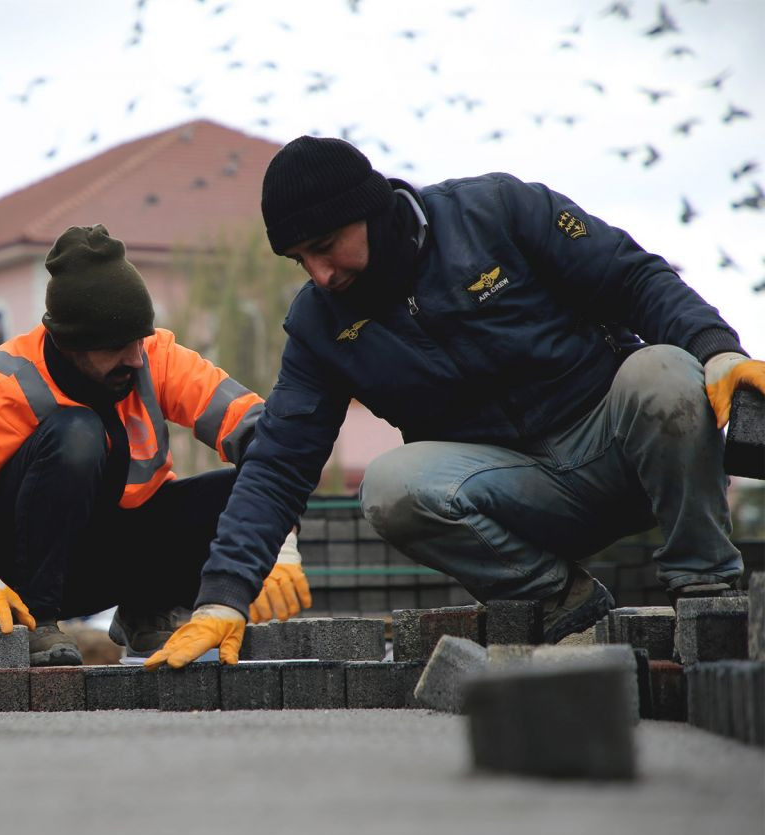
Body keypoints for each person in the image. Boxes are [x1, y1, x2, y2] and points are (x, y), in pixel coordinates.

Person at [145, 135, 765, 670]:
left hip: (620, 451)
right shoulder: (321, 324)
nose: (321, 273)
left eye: (327, 244)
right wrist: (223, 595)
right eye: (300, 259)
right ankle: (562, 601)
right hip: (520, 495)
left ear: (372, 210)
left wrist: (717, 348)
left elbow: (633, 276)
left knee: (664, 370)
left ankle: (707, 593)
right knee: (390, 485)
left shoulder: (495, 211)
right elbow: (279, 464)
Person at [0, 224, 311, 666]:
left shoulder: (152, 357)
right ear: (69, 343)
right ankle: (39, 626)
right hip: (24, 578)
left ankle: (149, 609)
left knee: (239, 491)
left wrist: (278, 538)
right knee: (78, 433)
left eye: (139, 340)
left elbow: (265, 435)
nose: (136, 359)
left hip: (115, 558)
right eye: (117, 347)